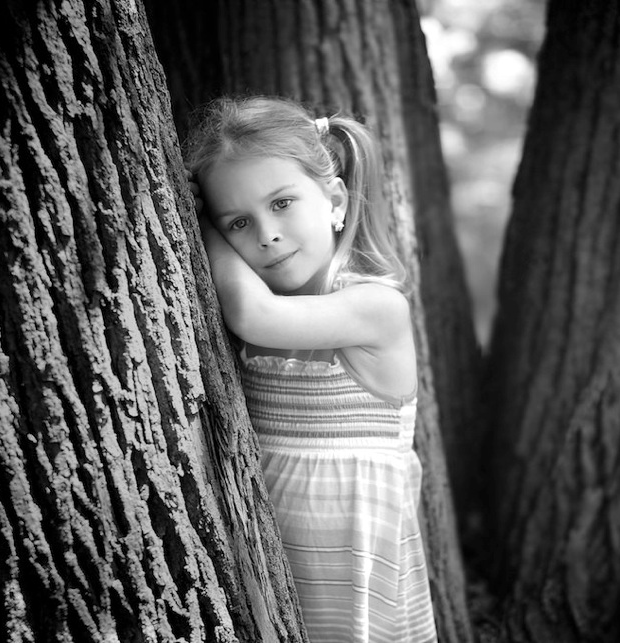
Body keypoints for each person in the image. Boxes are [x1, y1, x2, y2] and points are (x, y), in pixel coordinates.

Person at [185, 95, 438, 642]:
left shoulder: (375, 308)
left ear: (336, 200)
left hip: (350, 562)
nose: (266, 235)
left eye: (281, 204)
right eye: (238, 222)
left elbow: (255, 314)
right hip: (268, 550)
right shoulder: (243, 321)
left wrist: (196, 221)